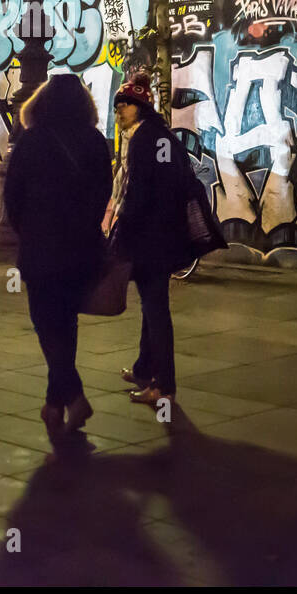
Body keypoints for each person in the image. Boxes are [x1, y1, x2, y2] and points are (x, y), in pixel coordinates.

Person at [3, 74, 112, 440]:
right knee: (65, 323)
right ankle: (54, 403)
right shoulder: (96, 142)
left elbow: (13, 198)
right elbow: (103, 194)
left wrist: (29, 229)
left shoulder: (31, 142)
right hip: (82, 247)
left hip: (41, 248)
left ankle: (75, 396)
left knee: (46, 323)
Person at [109, 71, 193, 406]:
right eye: (118, 105)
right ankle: (145, 369)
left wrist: (123, 227)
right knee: (151, 306)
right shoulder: (161, 136)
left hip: (150, 239)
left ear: (141, 107)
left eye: (126, 105)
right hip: (161, 236)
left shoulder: (146, 139)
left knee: (156, 310)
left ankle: (164, 386)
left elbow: (140, 192)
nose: (120, 111)